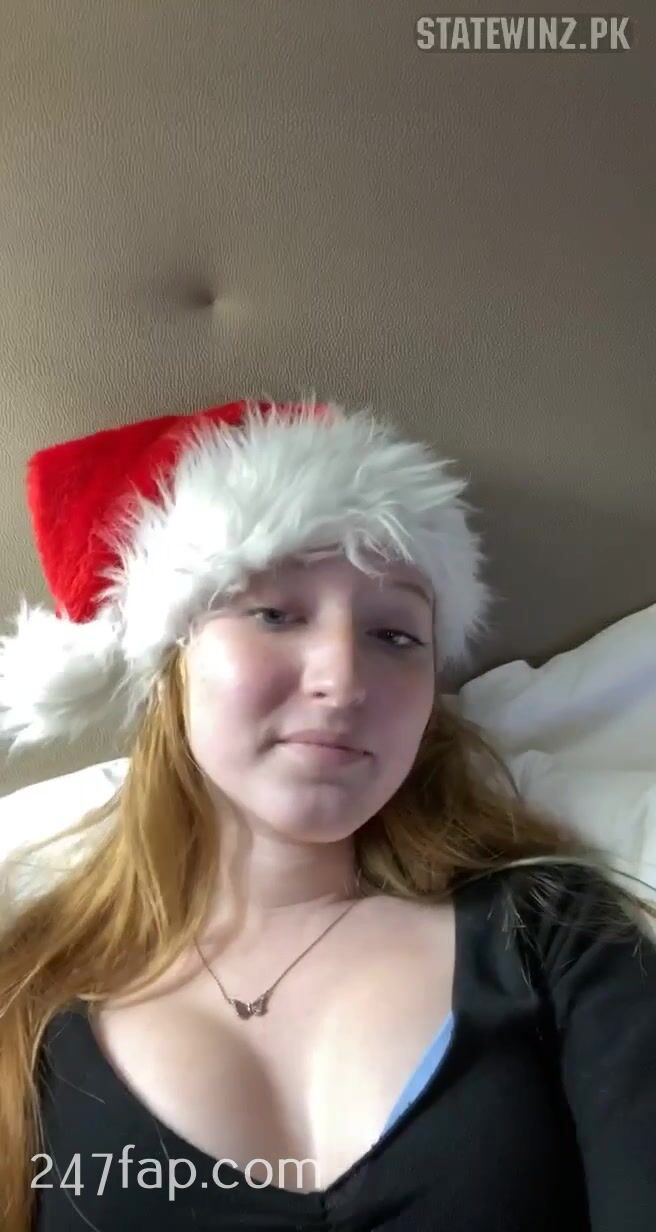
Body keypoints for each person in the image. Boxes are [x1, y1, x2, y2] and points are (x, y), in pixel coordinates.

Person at [0, 395, 654, 1232]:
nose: (343, 681)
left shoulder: (553, 934)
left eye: (396, 636)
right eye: (275, 614)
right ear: (174, 661)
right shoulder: (27, 998)